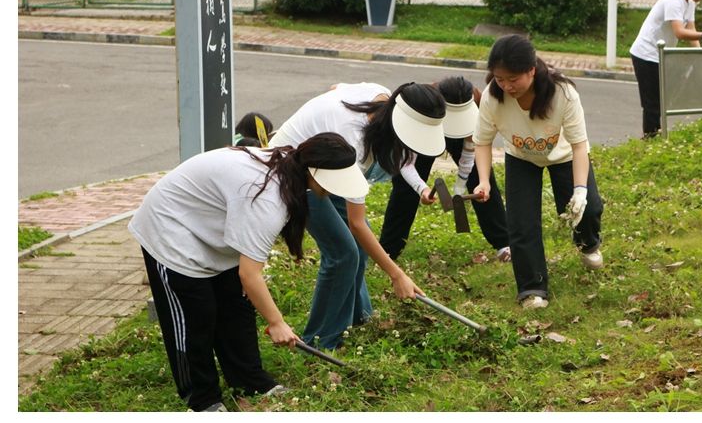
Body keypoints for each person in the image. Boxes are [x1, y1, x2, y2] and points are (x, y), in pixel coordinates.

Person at [128, 133, 363, 411]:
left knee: (235, 306)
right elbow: (250, 275)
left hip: (209, 225)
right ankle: (202, 398)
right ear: (316, 172)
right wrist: (276, 322)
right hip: (170, 227)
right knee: (195, 318)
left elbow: (245, 277)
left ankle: (250, 380)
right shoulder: (268, 199)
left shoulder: (291, 168)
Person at [269, 82, 445, 349]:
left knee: (357, 251)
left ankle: (359, 320)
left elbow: (335, 87)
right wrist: (397, 275)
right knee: (343, 253)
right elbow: (357, 223)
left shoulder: (382, 99)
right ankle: (320, 341)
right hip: (293, 171)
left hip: (328, 165)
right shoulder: (354, 139)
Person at [470, 35, 606, 309]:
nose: (506, 86)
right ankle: (532, 288)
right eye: (499, 79)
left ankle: (588, 244)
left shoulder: (563, 93)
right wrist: (484, 181)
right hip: (521, 158)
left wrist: (580, 191)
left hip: (565, 155)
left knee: (587, 209)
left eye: (513, 79)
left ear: (531, 70)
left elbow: (580, 147)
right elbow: (482, 142)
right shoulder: (492, 98)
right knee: (521, 223)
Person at [377, 76, 510, 262]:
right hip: (429, 127)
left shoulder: (477, 101)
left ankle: (504, 244)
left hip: (460, 136)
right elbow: (405, 162)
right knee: (404, 189)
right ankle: (388, 251)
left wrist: (460, 187)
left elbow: (470, 148)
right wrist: (421, 188)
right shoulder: (421, 104)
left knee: (482, 179)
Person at [628, 0, 702, 137]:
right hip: (645, 54)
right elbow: (679, 31)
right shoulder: (674, 0)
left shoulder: (690, 2)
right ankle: (650, 139)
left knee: (662, 99)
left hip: (661, 55)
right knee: (652, 103)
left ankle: (655, 136)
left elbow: (691, 29)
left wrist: (701, 56)